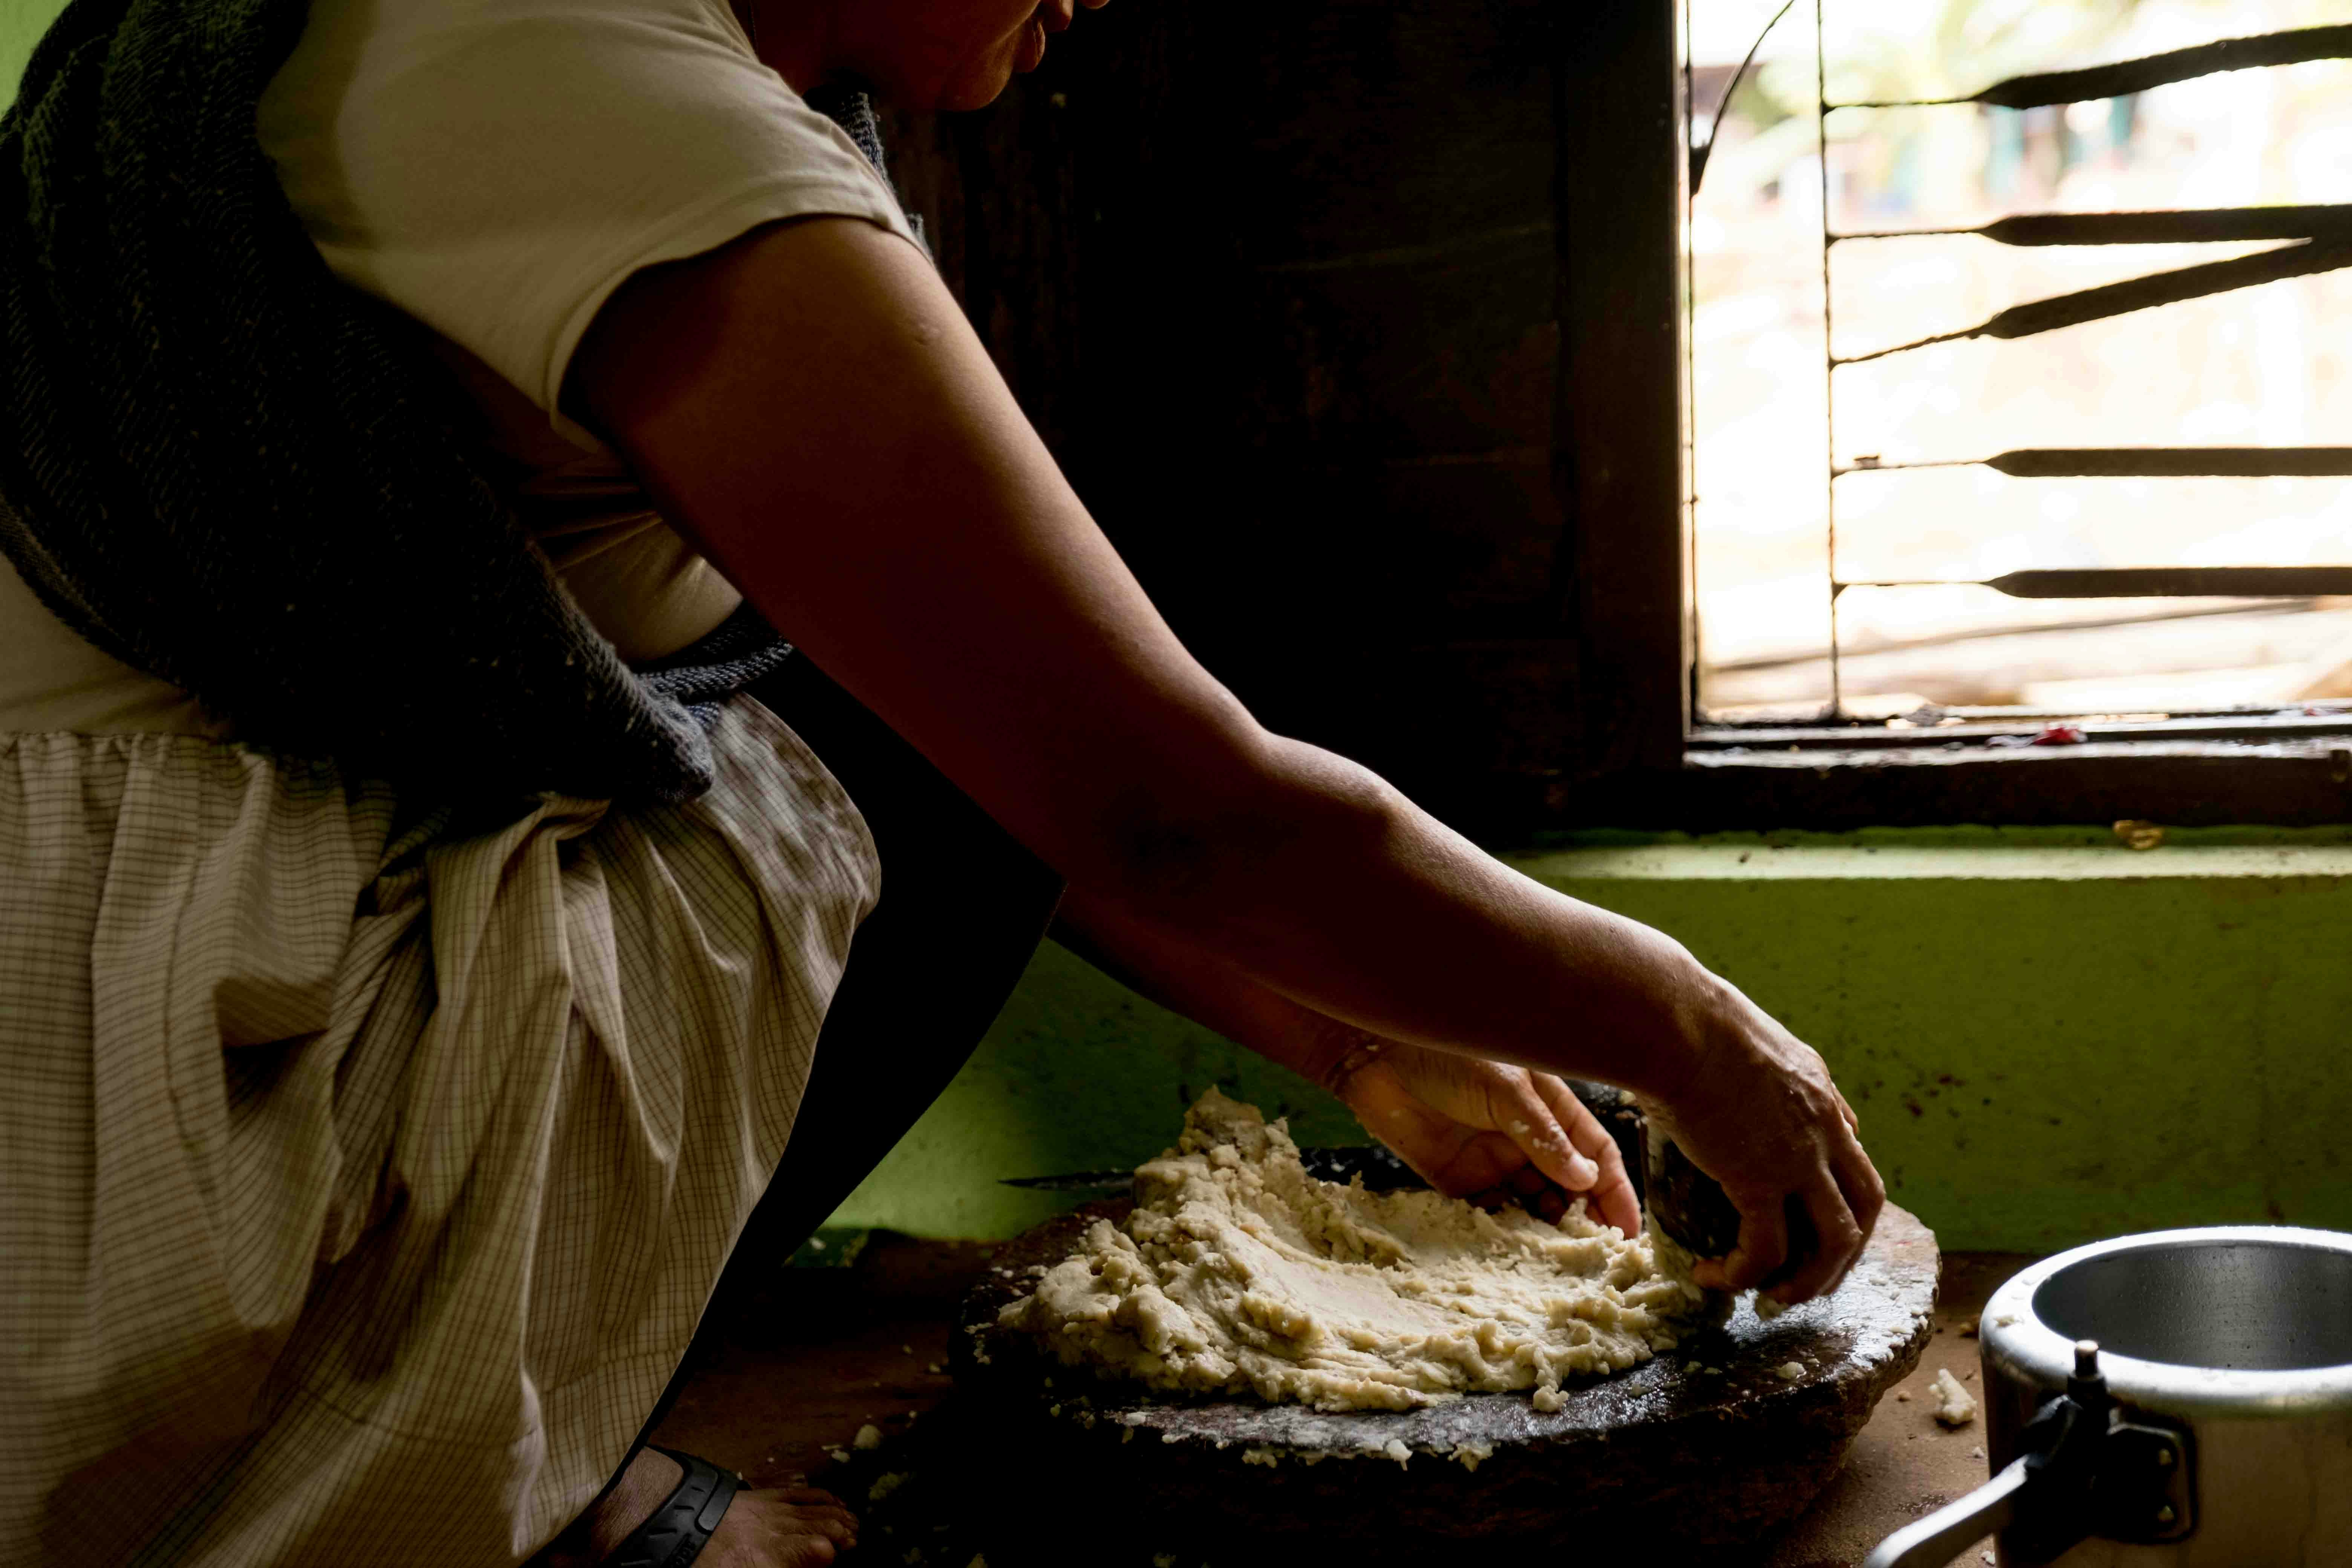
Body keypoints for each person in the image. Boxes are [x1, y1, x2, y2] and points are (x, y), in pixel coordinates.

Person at [0, 0, 1883, 1563]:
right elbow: (1164, 803)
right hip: (150, 1050)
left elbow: (1019, 753)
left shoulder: (611, 54)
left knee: (911, 690)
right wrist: (1690, 1026)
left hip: (194, 887)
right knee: (859, 740)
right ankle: (499, 1480)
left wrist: (1376, 1041)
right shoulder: (607, 108)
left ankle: (535, 1423)